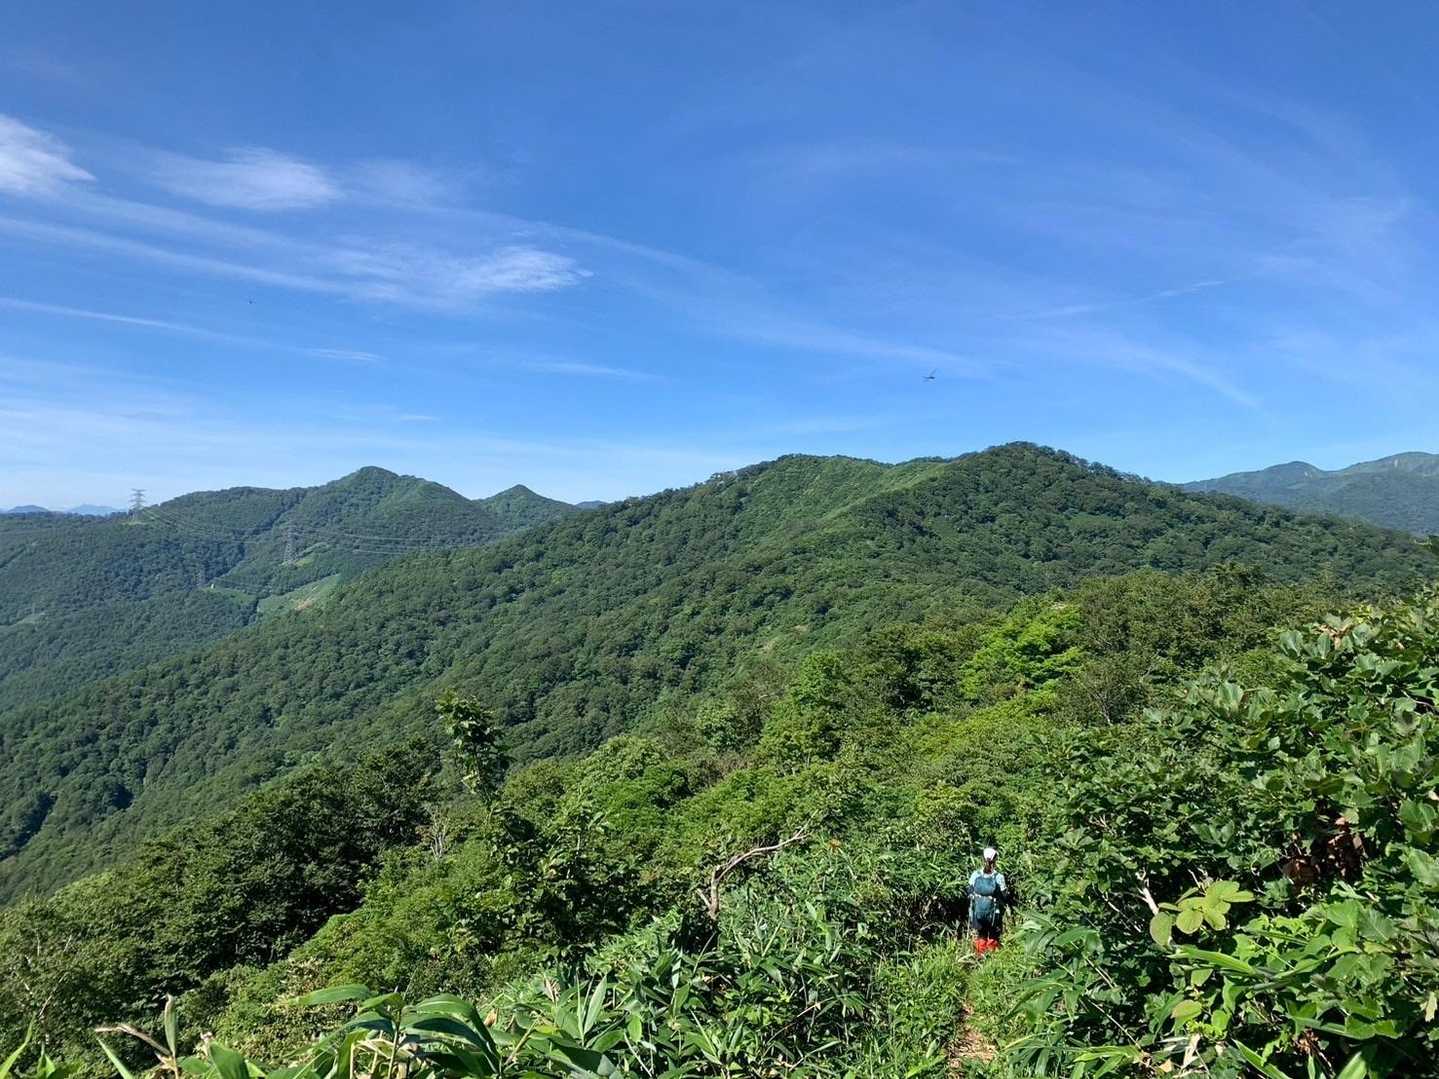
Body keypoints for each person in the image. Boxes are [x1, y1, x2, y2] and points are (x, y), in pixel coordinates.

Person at [968, 846, 1008, 955]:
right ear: (995, 859)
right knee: (993, 935)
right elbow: (1004, 896)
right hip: (994, 913)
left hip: (977, 912)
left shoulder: (975, 874)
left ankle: (979, 956)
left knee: (981, 934)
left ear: (983, 859)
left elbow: (969, 891)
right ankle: (992, 956)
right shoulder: (999, 877)